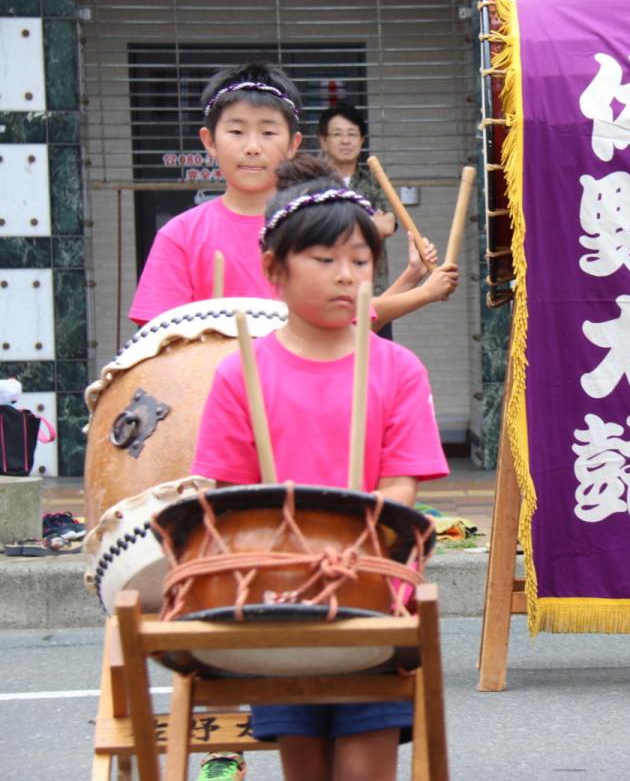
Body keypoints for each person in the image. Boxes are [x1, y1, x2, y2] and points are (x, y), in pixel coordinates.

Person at [190, 156, 449, 781]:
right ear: (275, 269)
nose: (346, 276)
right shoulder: (240, 372)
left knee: (364, 768)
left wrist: (362, 562)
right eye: (325, 260)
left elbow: (400, 489)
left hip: (372, 594)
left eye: (361, 262)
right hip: (278, 596)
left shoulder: (396, 369)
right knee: (303, 767)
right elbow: (234, 501)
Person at [129, 63, 456, 328]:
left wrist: (414, 279)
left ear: (293, 144)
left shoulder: (318, 226)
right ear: (209, 141)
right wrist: (422, 291)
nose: (253, 147)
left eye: (268, 132)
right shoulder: (180, 236)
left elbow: (351, 321)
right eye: (237, 131)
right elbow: (161, 343)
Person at [317, 103, 439, 341]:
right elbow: (312, 231)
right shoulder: (313, 183)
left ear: (362, 141)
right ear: (323, 140)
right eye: (337, 134)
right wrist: (368, 221)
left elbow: (388, 225)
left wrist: (331, 223)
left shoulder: (373, 183)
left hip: (377, 293)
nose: (345, 141)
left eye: (352, 134)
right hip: (325, 294)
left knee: (376, 363)